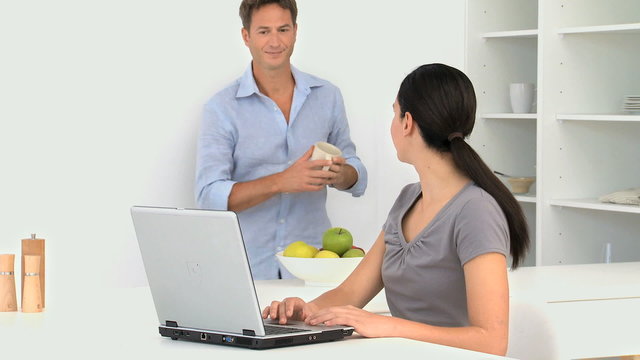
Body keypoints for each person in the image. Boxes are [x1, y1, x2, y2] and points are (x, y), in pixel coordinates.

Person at [262, 63, 530, 356]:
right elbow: (351, 293)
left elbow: (491, 340)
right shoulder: (408, 199)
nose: (392, 123)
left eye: (394, 112)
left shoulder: (477, 211)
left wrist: (389, 326)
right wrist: (306, 311)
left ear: (407, 122)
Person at [195, 0, 367, 280]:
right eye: (264, 31)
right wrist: (281, 181)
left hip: (314, 268)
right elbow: (209, 196)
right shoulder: (221, 107)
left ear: (296, 31)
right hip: (245, 270)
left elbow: (357, 174)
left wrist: (341, 174)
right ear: (246, 36)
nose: (275, 41)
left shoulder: (328, 96)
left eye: (283, 29)